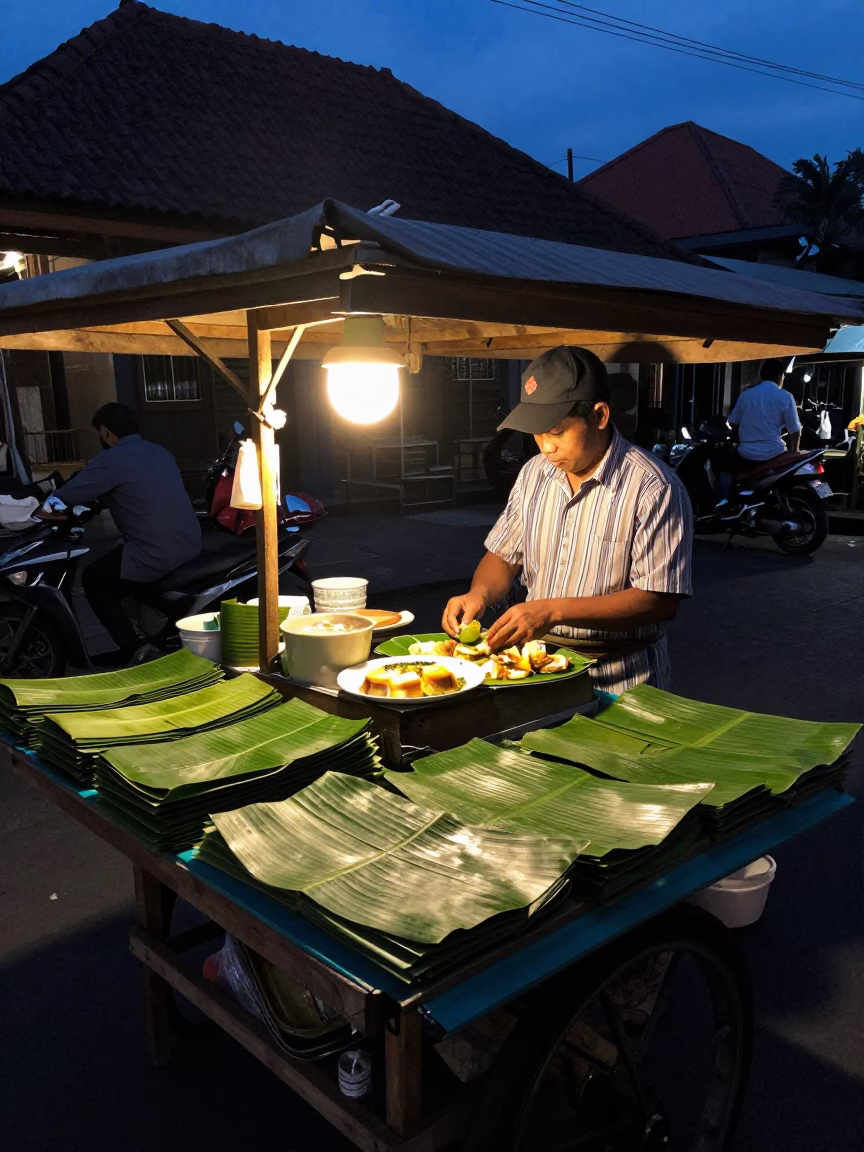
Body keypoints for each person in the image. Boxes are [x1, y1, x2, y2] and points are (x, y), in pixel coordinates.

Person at [442, 347, 693, 695]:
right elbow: (503, 555)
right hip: (538, 671)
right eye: (537, 433)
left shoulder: (654, 488)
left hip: (622, 680)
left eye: (557, 432)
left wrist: (552, 611)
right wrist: (478, 594)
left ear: (600, 415)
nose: (546, 447)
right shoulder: (534, 474)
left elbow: (660, 599)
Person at [52, 403, 201, 664]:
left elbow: (62, 498)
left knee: (94, 579)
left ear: (106, 433)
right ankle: (147, 635)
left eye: (99, 432)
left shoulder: (112, 458)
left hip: (155, 550)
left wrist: (36, 510)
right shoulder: (159, 452)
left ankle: (136, 650)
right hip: (188, 542)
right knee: (117, 565)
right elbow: (136, 492)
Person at [728, 358, 801, 463]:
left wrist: (741, 441)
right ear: (779, 376)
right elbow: (794, 430)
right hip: (775, 453)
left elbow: (733, 422)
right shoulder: (786, 396)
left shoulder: (745, 395)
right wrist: (795, 452)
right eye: (783, 376)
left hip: (745, 454)